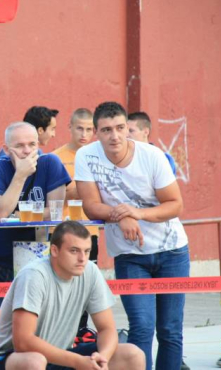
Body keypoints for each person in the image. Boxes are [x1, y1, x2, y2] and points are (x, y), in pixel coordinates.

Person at [75, 101, 190, 370]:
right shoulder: (86, 156)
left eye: (119, 128)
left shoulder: (152, 156)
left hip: (171, 251)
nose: (114, 136)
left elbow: (175, 204)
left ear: (127, 127)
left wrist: (136, 213)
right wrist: (123, 214)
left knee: (170, 330)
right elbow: (90, 205)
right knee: (141, 327)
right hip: (129, 255)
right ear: (96, 132)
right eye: (106, 130)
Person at [0, 221, 145, 370]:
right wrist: (77, 361)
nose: (82, 258)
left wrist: (103, 358)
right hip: (8, 359)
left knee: (132, 355)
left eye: (86, 251)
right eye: (74, 251)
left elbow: (107, 328)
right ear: (54, 250)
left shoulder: (90, 271)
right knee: (35, 362)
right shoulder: (34, 275)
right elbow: (23, 342)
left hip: (60, 355)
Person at [0, 122, 71, 309]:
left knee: (35, 320)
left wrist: (18, 212)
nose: (27, 151)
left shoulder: (50, 163)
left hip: (37, 255)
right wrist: (20, 175)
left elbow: (55, 212)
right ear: (6, 149)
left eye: (32, 145)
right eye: (19, 146)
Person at [52, 108, 98, 328]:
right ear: (69, 127)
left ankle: (81, 331)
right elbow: (61, 194)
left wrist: (78, 188)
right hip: (62, 231)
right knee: (61, 284)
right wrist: (88, 187)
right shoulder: (56, 157)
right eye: (80, 128)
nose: (84, 134)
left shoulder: (100, 155)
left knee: (86, 285)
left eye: (90, 129)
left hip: (90, 232)